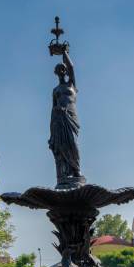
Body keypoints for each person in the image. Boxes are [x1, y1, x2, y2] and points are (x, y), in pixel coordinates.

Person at [49, 50, 84, 188]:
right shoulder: (55, 90)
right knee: (61, 145)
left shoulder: (72, 85)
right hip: (58, 119)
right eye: (59, 70)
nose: (62, 71)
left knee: (72, 143)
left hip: (70, 117)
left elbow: (72, 67)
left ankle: (76, 170)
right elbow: (53, 108)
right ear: (56, 73)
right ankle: (64, 173)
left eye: (64, 69)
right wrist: (51, 132)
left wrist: (64, 52)